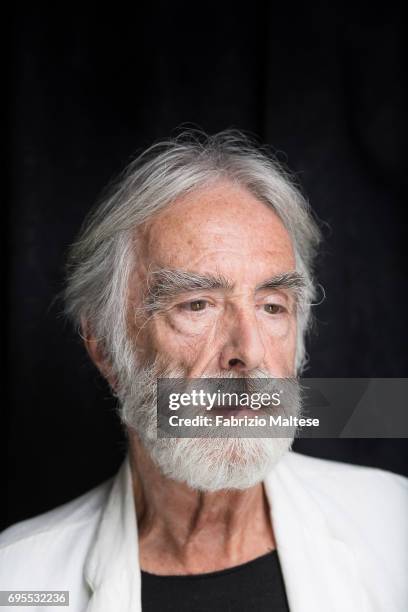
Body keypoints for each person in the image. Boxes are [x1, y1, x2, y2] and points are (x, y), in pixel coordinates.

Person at [1, 132, 407, 611]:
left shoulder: (393, 524)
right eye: (197, 304)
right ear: (106, 348)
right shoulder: (19, 581)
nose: (250, 353)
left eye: (273, 306)